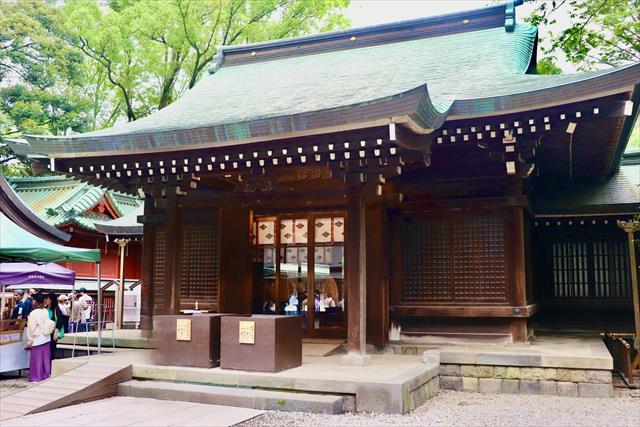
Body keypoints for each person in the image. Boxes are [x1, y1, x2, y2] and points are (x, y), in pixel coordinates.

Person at [26, 293, 55, 382]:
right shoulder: (45, 311)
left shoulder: (33, 313)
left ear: (35, 301)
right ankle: (45, 375)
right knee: (45, 358)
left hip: (37, 338)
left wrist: (30, 341)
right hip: (46, 337)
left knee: (36, 359)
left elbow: (31, 328)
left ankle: (36, 377)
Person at [45, 293, 64, 360]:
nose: (45, 300)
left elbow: (59, 321)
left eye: (47, 298)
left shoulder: (56, 309)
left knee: (51, 350)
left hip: (52, 333)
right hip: (45, 333)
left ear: (51, 300)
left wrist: (56, 332)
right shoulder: (45, 308)